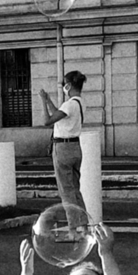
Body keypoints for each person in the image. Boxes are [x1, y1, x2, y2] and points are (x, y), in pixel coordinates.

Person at [39, 71, 87, 233]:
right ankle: (84, 224)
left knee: (65, 190)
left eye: (64, 84)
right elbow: (58, 114)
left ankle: (72, 228)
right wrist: (48, 100)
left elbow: (48, 121)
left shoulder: (69, 104)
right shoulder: (79, 103)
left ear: (69, 85)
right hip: (75, 146)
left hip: (62, 148)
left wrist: (42, 102)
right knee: (75, 188)